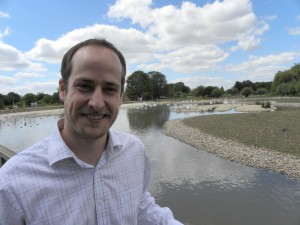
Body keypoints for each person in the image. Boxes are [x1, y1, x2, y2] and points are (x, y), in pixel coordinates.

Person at [0, 38, 183, 225]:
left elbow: (140, 205)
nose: (96, 103)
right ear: (63, 90)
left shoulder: (134, 151)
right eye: (84, 86)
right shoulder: (12, 183)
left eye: (110, 89)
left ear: (120, 96)